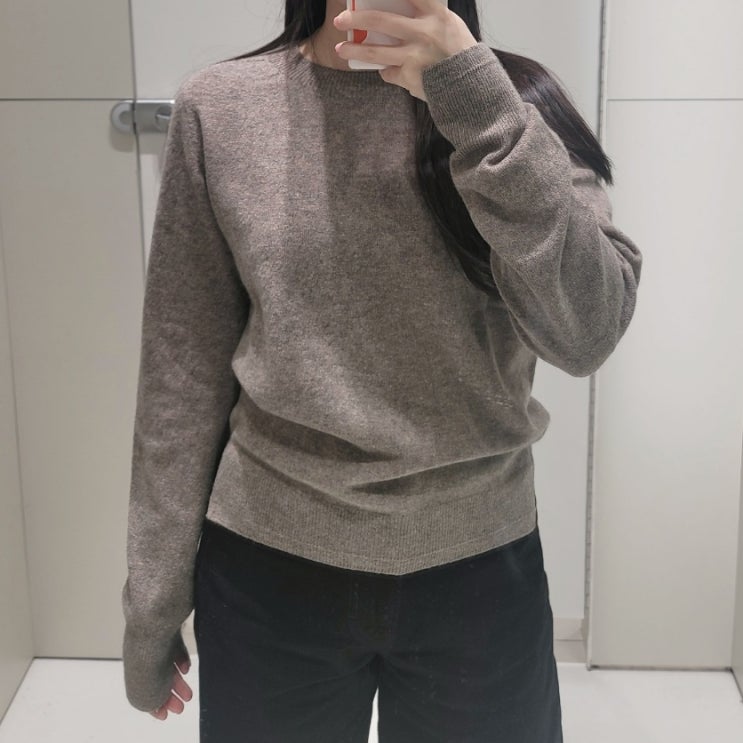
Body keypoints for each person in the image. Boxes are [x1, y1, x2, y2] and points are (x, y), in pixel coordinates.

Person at [121, 0, 643, 740]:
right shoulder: (223, 108)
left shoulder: (512, 103)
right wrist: (152, 601)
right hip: (271, 565)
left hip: (479, 567)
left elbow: (587, 332)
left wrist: (473, 98)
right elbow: (182, 370)